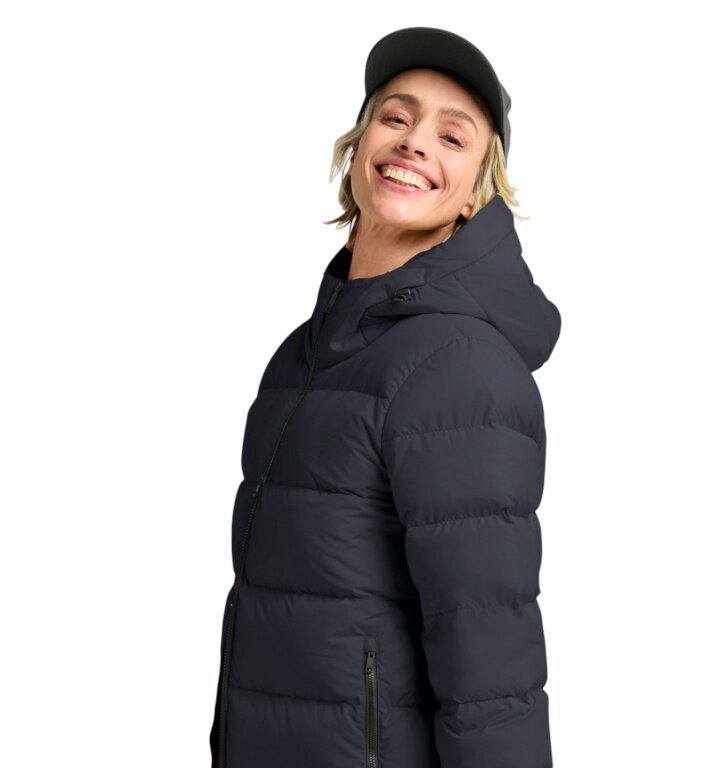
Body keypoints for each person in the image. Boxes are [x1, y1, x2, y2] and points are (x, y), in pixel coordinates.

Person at [209, 26, 561, 768]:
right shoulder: (303, 355)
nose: (414, 142)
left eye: (452, 137)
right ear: (357, 147)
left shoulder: (458, 365)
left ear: (476, 197)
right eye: (395, 117)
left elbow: (489, 652)